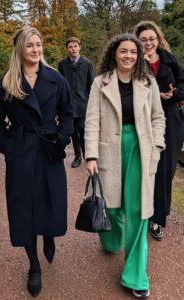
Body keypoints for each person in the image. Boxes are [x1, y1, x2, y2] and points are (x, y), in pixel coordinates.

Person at [0, 27, 73, 297]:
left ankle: (48, 234)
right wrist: (7, 146)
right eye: (30, 46)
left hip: (49, 148)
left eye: (39, 45)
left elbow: (68, 113)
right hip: (22, 151)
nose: (36, 50)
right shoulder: (7, 81)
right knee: (23, 207)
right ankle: (33, 265)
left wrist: (61, 139)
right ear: (20, 50)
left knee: (51, 199)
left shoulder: (56, 79)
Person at [85, 34, 165, 298]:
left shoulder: (148, 82)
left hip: (141, 149)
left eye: (133, 51)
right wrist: (91, 155)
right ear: (114, 53)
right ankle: (111, 240)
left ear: (139, 55)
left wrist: (157, 146)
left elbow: (158, 117)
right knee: (111, 206)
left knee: (139, 211)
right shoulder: (101, 82)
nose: (128, 56)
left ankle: (136, 276)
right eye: (123, 51)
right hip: (110, 149)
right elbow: (92, 120)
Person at [134, 20, 184, 241]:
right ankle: (140, 213)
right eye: (143, 39)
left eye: (151, 38)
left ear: (158, 38)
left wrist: (174, 95)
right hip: (144, 120)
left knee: (165, 171)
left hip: (171, 120)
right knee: (144, 168)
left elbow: (183, 84)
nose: (148, 43)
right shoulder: (133, 61)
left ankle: (157, 219)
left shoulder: (169, 59)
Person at [58, 37, 94, 168]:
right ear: (67, 49)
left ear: (80, 47)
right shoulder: (62, 65)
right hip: (68, 104)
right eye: (70, 47)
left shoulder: (87, 64)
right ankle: (77, 156)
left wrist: (92, 104)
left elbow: (92, 85)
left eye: (75, 46)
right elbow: (60, 86)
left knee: (83, 129)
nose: (73, 49)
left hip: (83, 104)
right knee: (72, 131)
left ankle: (87, 155)